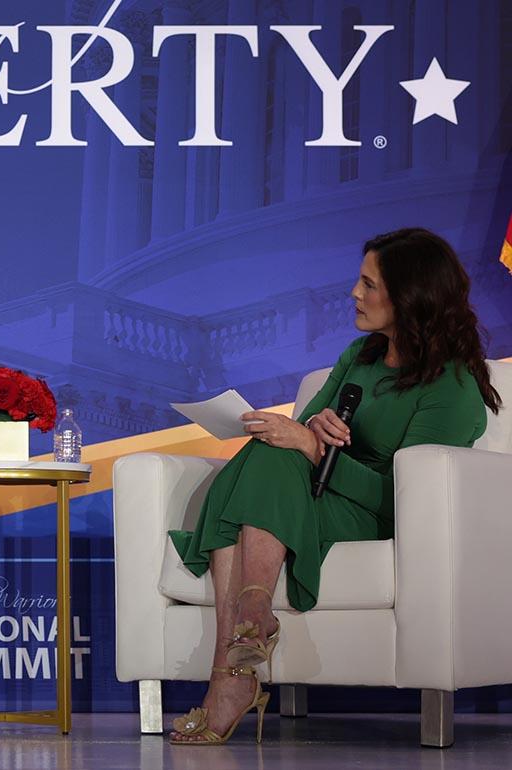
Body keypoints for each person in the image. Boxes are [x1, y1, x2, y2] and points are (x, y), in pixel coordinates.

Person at [166, 228, 502, 746]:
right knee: (267, 452)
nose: (354, 294)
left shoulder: (452, 388)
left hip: (376, 513)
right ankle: (252, 621)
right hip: (311, 492)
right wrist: (315, 429)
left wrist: (315, 449)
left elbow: (404, 502)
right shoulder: (359, 356)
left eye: (368, 284)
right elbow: (297, 435)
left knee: (253, 482)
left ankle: (230, 675)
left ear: (411, 297)